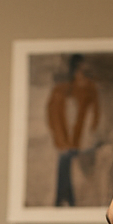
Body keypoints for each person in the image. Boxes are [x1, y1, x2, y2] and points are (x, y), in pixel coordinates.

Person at [46, 54, 99, 207]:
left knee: (67, 162)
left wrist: (88, 138)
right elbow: (54, 117)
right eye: (80, 70)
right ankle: (67, 199)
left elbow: (94, 116)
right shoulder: (61, 91)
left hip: (80, 141)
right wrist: (62, 140)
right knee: (65, 160)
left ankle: (64, 199)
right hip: (66, 141)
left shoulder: (90, 91)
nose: (82, 75)